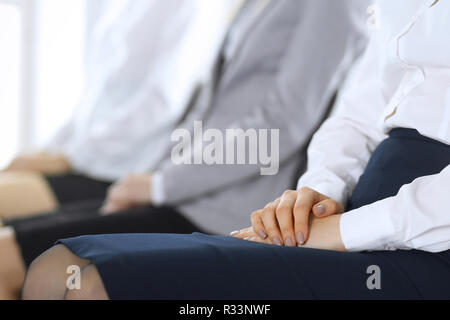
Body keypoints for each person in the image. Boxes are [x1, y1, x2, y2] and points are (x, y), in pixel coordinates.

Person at [21, 0, 450, 300]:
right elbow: (359, 112)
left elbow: (282, 120)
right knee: (52, 269)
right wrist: (319, 192)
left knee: (91, 284)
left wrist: (343, 231)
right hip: (345, 211)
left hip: (421, 240)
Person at [0, 0, 238, 220]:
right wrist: (49, 151)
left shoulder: (185, 6)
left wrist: (68, 158)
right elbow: (95, 98)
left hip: (121, 170)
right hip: (87, 158)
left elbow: (158, 105)